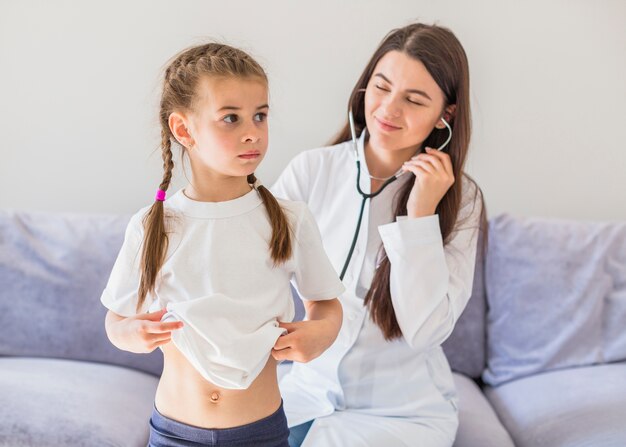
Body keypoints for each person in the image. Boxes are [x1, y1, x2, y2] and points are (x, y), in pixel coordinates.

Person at [101, 43, 345, 447]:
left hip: (260, 432)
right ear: (183, 130)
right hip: (174, 432)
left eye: (260, 116)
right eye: (230, 118)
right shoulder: (152, 226)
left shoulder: (289, 219)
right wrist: (129, 335)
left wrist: (320, 333)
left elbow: (327, 303)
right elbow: (116, 319)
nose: (252, 131)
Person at [271, 23, 487, 447]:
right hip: (305, 395)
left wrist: (420, 215)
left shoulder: (462, 199)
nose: (388, 109)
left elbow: (426, 330)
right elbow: (253, 263)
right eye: (381, 87)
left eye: (414, 99)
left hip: (402, 415)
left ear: (447, 113)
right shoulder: (312, 170)